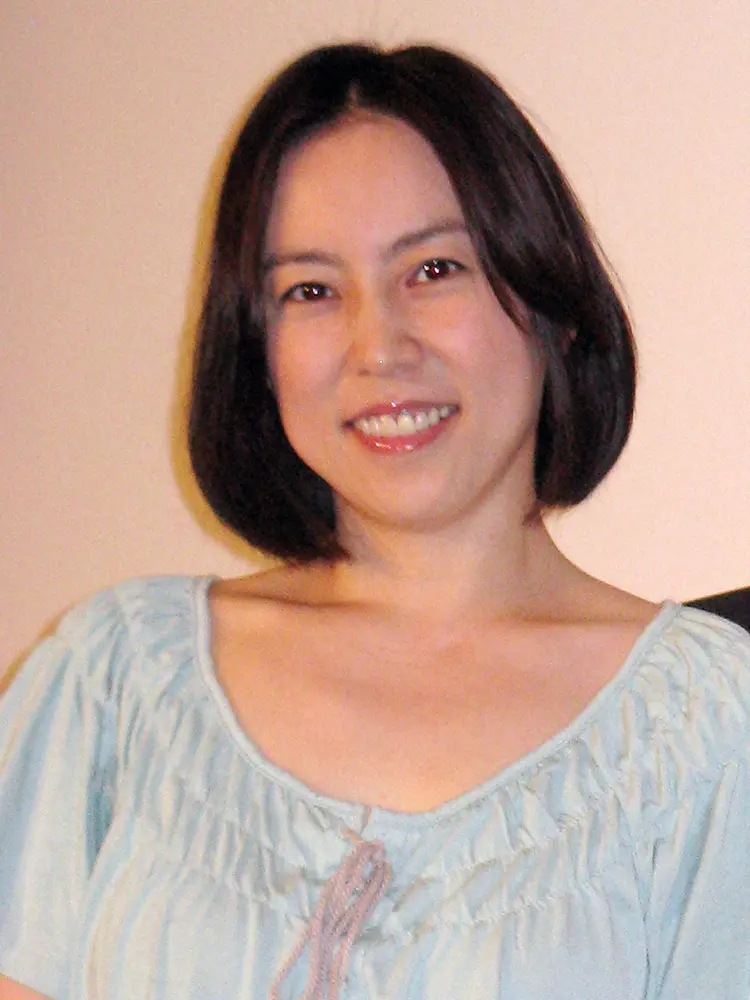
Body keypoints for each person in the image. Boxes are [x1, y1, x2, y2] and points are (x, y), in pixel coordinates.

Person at [1, 41, 749, 1000]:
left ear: (552, 304)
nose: (378, 346)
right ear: (257, 352)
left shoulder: (707, 729)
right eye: (310, 291)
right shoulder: (113, 686)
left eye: (434, 269)